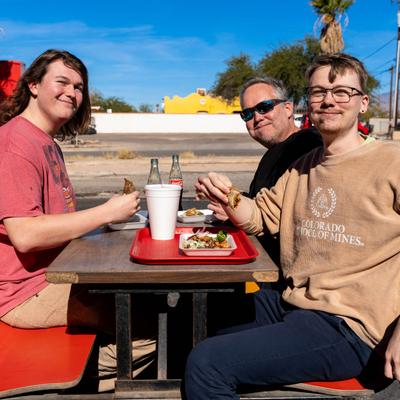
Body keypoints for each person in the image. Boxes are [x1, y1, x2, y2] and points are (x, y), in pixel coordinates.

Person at [185, 53, 400, 399]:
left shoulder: (392, 162)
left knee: (207, 364)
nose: (328, 100)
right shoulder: (302, 167)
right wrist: (228, 197)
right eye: (318, 92)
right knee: (201, 312)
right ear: (308, 105)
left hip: (351, 326)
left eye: (342, 92)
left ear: (362, 103)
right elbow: (260, 216)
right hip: (293, 303)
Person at [0, 49, 156, 391]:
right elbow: (25, 235)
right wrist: (106, 212)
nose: (72, 92)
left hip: (57, 275)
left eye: (79, 86)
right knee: (154, 326)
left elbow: (60, 222)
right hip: (26, 292)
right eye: (62, 82)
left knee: (151, 300)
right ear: (33, 85)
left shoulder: (46, 143)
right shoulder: (15, 144)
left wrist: (108, 225)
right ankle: (64, 384)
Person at [209, 77, 322, 266]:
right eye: (247, 113)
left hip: (285, 275)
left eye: (264, 107)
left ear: (288, 109)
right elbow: (260, 202)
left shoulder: (308, 145)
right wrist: (231, 203)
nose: (257, 117)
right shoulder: (273, 153)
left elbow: (292, 213)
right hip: (260, 261)